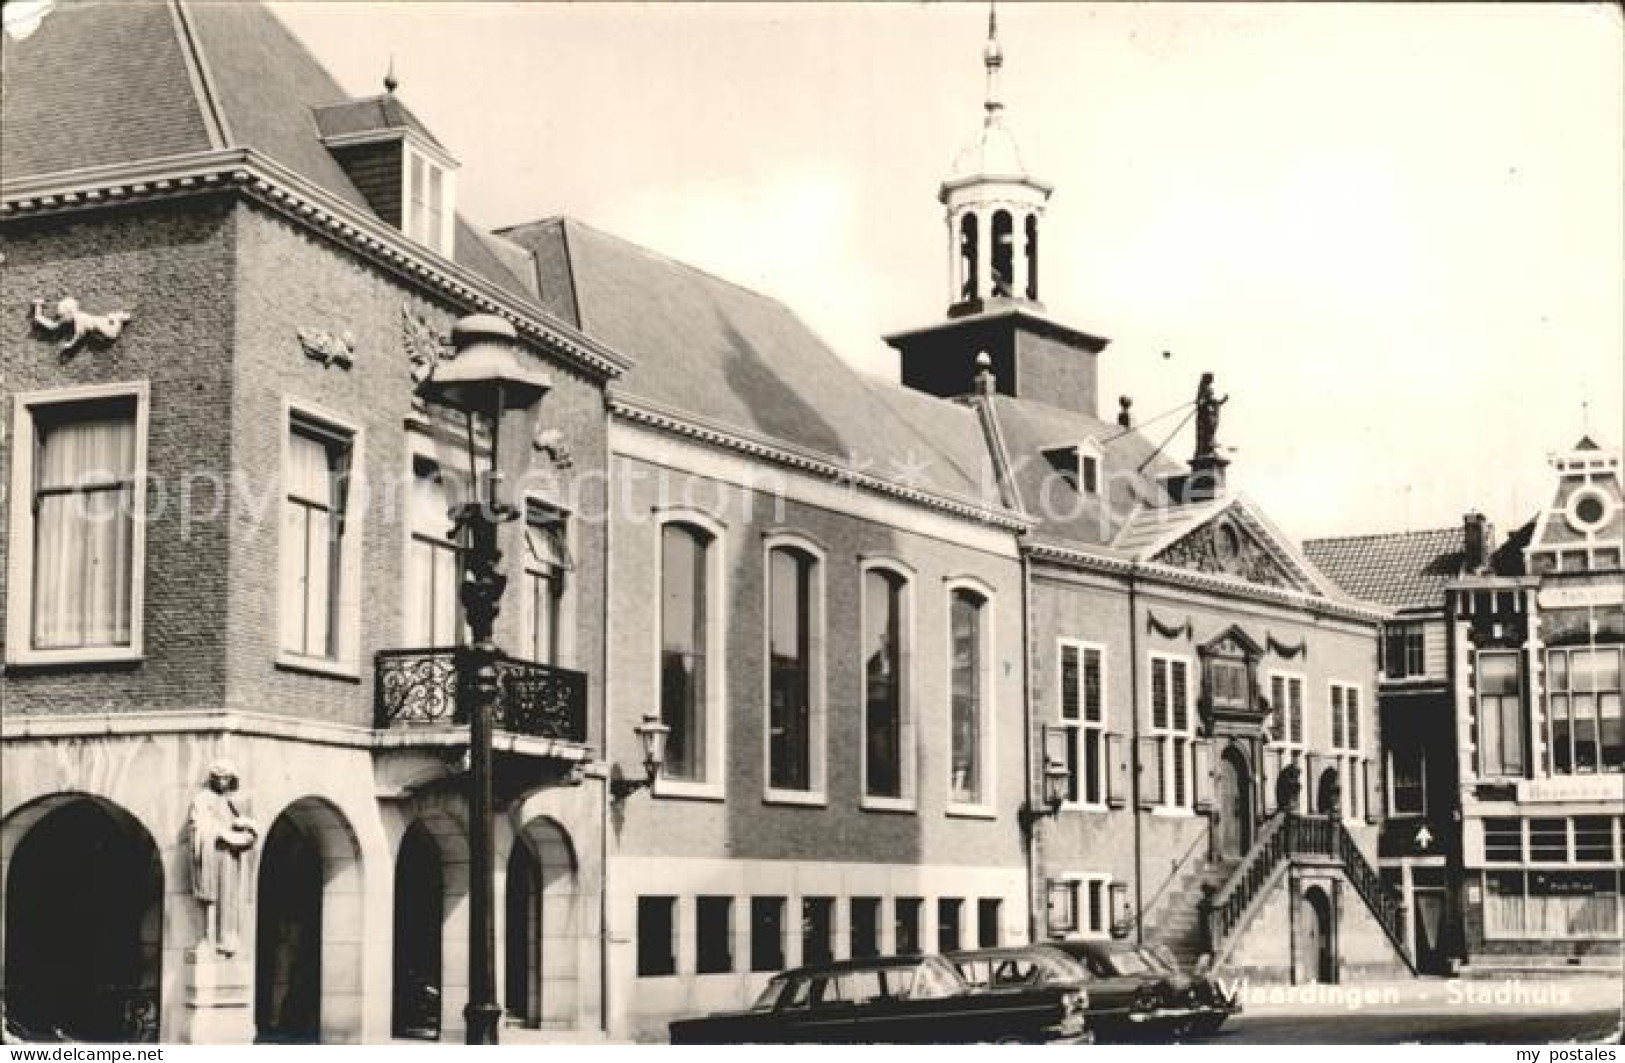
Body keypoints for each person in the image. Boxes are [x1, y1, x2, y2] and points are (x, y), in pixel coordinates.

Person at [188, 761, 259, 956]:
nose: (224, 782)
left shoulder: (235, 801)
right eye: (220, 778)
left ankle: (228, 938)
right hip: (212, 854)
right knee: (211, 896)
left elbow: (251, 829)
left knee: (230, 896)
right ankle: (208, 937)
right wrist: (220, 833)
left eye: (228, 778)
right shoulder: (202, 799)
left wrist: (244, 829)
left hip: (231, 857)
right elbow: (198, 826)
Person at [1194, 372, 1229, 459]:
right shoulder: (1203, 388)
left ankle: (1209, 448)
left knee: (1210, 431)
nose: (1212, 380)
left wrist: (1220, 402)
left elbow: (1210, 401)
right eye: (1211, 378)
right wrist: (1220, 401)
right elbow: (1203, 401)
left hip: (1209, 413)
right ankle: (1206, 449)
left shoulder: (1206, 388)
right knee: (1207, 431)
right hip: (1205, 415)